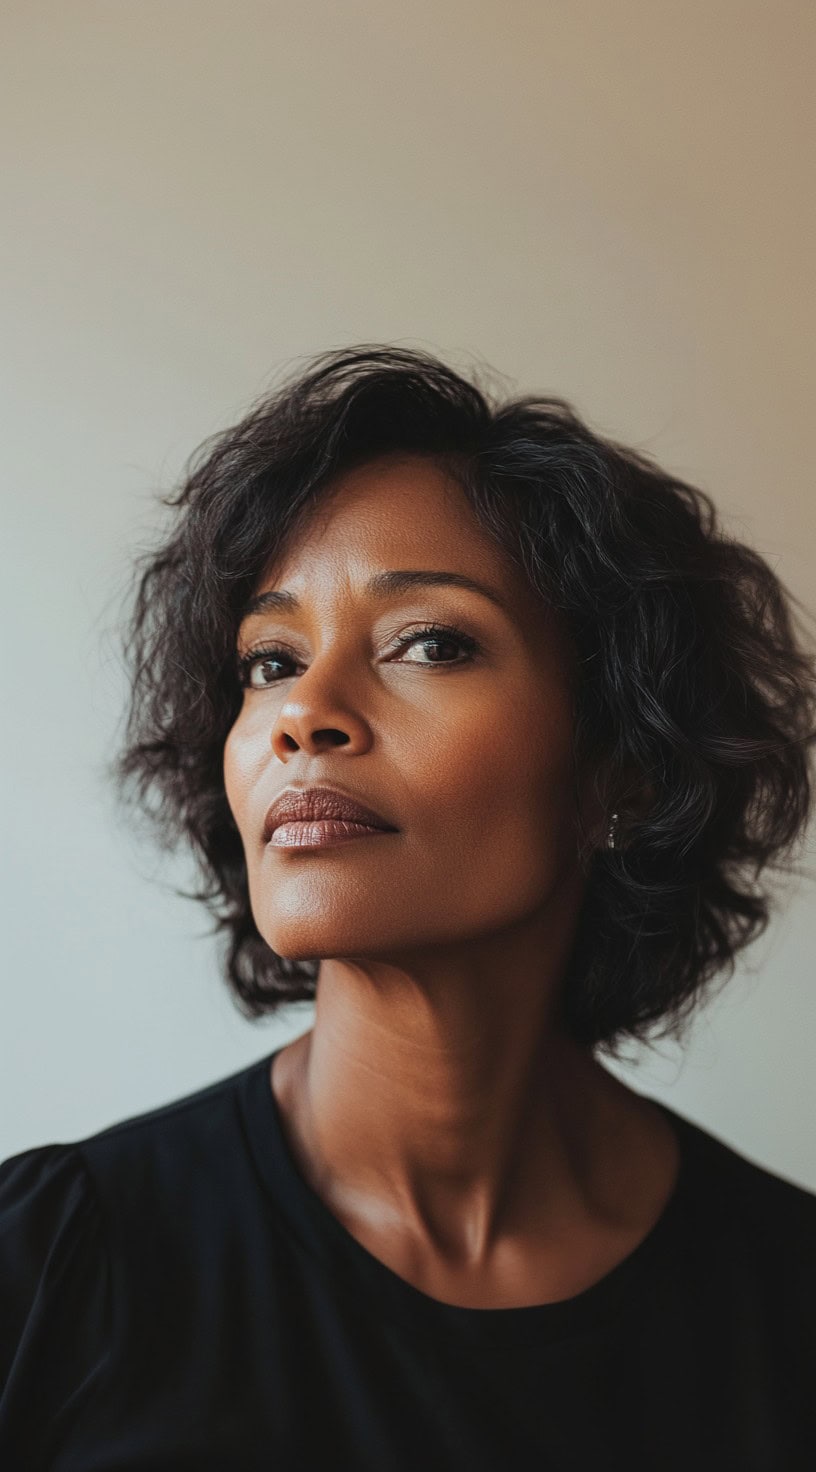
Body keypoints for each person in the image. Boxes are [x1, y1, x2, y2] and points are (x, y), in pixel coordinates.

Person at [2, 345, 815, 1470]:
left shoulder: (787, 1306)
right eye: (270, 658)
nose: (304, 714)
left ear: (621, 764)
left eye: (430, 642)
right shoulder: (50, 1267)